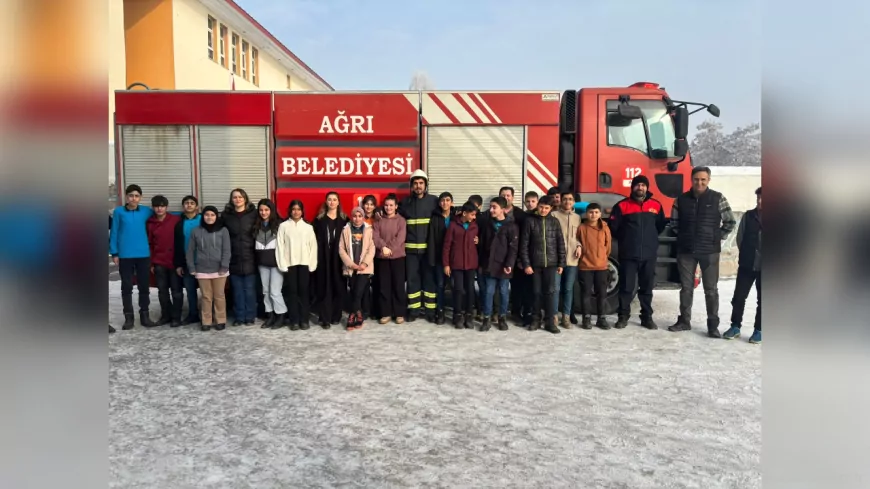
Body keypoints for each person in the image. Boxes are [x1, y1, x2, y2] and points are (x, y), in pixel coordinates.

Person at [668, 166, 737, 337]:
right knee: (686, 288)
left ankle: (712, 326)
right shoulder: (681, 200)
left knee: (711, 290)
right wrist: (685, 237)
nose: (699, 182)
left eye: (703, 179)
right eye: (696, 179)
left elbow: (730, 222)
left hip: (709, 252)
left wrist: (716, 237)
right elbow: (674, 224)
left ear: (708, 180)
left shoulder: (718, 198)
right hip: (686, 251)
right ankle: (684, 321)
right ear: (691, 180)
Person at [609, 175, 667, 329]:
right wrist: (627, 240)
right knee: (626, 288)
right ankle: (623, 316)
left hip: (649, 255)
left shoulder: (656, 206)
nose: (640, 188)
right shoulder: (622, 206)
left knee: (646, 288)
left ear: (647, 188)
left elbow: (660, 226)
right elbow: (614, 228)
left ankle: (646, 317)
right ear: (632, 187)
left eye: (643, 185)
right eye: (637, 185)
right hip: (628, 254)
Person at [110, 184, 156, 329]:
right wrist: (114, 252)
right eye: (131, 195)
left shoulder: (146, 211)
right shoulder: (119, 212)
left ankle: (145, 315)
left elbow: (163, 214)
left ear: (140, 197)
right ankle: (128, 317)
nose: (133, 198)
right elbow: (114, 232)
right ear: (126, 197)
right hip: (125, 255)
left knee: (144, 286)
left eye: (136, 196)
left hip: (143, 254)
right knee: (127, 287)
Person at [519, 195, 565, 334]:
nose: (543, 210)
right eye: (541, 207)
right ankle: (535, 320)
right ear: (537, 206)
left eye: (546, 208)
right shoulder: (529, 221)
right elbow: (524, 245)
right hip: (535, 264)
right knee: (536, 293)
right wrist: (526, 264)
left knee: (550, 293)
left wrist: (561, 263)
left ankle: (550, 322)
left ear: (551, 208)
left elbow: (560, 243)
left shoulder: (555, 222)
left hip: (551, 264)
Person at [398, 169, 439, 322]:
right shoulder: (404, 203)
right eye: (415, 183)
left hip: (429, 251)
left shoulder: (434, 202)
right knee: (412, 280)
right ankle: (414, 310)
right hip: (410, 251)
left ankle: (430, 311)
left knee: (429, 280)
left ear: (426, 185)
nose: (418, 186)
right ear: (411, 186)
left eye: (421, 183)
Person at [724, 187, 761, 344]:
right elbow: (740, 238)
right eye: (758, 198)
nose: (760, 201)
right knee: (739, 297)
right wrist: (746, 253)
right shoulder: (748, 216)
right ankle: (735, 326)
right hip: (747, 264)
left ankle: (759, 330)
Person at [186, 206, 231, 332]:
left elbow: (227, 250)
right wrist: (192, 266)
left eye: (212, 215)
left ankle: (220, 320)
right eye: (207, 215)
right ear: (203, 216)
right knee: (206, 296)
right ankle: (206, 321)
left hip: (219, 269)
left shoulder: (223, 231)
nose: (209, 217)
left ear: (216, 216)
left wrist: (224, 265)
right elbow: (190, 251)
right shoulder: (196, 231)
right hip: (202, 269)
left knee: (219, 295)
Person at [276, 200, 318, 331]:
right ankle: (294, 321)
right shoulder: (283, 226)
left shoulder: (308, 227)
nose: (296, 212)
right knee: (292, 292)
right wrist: (282, 264)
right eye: (294, 209)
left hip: (304, 263)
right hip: (290, 265)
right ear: (290, 210)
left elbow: (313, 247)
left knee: (304, 292)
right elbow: (280, 246)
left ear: (302, 211)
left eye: (299, 209)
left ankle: (304, 320)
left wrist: (312, 264)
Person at [478, 196, 519, 332]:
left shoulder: (511, 226)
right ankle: (487, 318)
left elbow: (513, 248)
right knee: (489, 292)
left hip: (504, 266)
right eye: (490, 207)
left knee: (503, 292)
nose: (491, 210)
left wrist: (509, 264)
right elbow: (482, 246)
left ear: (503, 209)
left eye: (494, 207)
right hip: (489, 265)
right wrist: (481, 264)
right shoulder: (487, 224)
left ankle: (502, 318)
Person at [222, 188, 258, 326]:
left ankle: (250, 317)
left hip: (250, 257)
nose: (238, 199)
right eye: (235, 197)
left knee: (249, 290)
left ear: (245, 199)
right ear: (231, 200)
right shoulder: (226, 216)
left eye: (240, 197)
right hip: (233, 258)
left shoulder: (253, 214)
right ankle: (239, 317)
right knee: (236, 291)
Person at [312, 191, 349, 328]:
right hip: (324, 259)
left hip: (339, 259)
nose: (332, 202)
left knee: (338, 286)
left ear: (338, 202)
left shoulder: (345, 220)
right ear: (326, 202)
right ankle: (325, 318)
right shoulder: (319, 220)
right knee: (324, 287)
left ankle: (336, 315)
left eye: (334, 199)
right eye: (329, 199)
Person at [145, 195, 182, 326]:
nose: (159, 209)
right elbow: (150, 244)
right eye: (156, 206)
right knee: (162, 291)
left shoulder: (176, 220)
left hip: (174, 262)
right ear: (153, 207)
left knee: (176, 291)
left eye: (162, 206)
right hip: (159, 262)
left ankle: (176, 317)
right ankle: (166, 315)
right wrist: (152, 262)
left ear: (166, 207)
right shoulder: (150, 223)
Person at [443, 202, 479, 329]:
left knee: (470, 290)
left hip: (471, 265)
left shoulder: (475, 226)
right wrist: (446, 264)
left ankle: (469, 315)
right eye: (472, 214)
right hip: (456, 264)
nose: (474, 217)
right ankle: (457, 315)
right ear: (464, 213)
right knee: (458, 290)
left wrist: (478, 241)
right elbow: (447, 246)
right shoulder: (453, 225)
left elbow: (479, 242)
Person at [339, 207, 375, 330]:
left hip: (364, 268)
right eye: (355, 216)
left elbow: (372, 248)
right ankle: (359, 314)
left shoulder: (369, 230)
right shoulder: (346, 230)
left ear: (363, 217)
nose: (357, 218)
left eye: (360, 216)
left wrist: (364, 263)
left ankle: (351, 316)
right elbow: (341, 249)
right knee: (354, 291)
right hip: (352, 268)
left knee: (358, 292)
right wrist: (351, 264)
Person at [373, 194, 407, 324]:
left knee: (398, 286)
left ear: (396, 206)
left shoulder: (401, 221)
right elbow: (375, 237)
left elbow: (400, 238)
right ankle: (385, 313)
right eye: (386, 205)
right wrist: (383, 248)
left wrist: (390, 249)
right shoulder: (378, 221)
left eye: (391, 205)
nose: (388, 207)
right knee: (384, 286)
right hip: (382, 258)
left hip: (397, 258)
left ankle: (399, 313)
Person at [577, 203, 612, 329]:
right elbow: (577, 242)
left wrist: (602, 258)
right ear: (587, 214)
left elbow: (607, 247)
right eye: (591, 212)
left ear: (600, 214)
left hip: (601, 266)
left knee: (601, 293)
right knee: (585, 293)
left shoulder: (605, 228)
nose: (593, 215)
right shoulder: (581, 228)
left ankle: (601, 318)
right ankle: (586, 318)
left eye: (596, 212)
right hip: (585, 266)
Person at [253, 199, 286, 329]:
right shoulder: (256, 225)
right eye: (261, 210)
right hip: (262, 264)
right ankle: (270, 316)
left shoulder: (280, 225)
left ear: (271, 210)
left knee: (275, 291)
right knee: (266, 291)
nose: (263, 212)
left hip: (276, 263)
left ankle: (281, 315)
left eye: (266, 210)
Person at [499, 186, 529, 322]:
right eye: (503, 195)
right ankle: (498, 312)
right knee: (499, 288)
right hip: (499, 258)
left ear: (513, 197)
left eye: (508, 195)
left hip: (517, 258)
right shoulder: (492, 212)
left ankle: (516, 313)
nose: (506, 198)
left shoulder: (521, 215)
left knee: (517, 288)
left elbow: (525, 238)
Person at [553, 190, 581, 328]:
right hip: (557, 260)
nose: (567, 201)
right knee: (555, 288)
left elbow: (578, 237)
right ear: (561, 201)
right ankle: (553, 316)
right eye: (565, 199)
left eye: (570, 199)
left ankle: (566, 316)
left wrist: (579, 246)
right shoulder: (554, 215)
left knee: (568, 289)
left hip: (572, 259)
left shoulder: (577, 218)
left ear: (573, 202)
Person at [426, 191, 454, 325]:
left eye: (448, 200)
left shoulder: (457, 217)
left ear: (452, 203)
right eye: (442, 200)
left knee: (455, 285)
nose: (445, 203)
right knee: (440, 285)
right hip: (439, 258)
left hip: (454, 259)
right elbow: (431, 238)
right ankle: (440, 311)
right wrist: (431, 258)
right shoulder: (435, 217)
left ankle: (456, 312)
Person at [174, 195, 202, 325]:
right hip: (187, 263)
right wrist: (179, 264)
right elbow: (177, 245)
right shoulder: (179, 223)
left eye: (192, 203)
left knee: (207, 291)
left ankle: (209, 315)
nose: (189, 205)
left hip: (204, 262)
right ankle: (193, 314)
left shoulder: (204, 219)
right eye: (186, 203)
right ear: (183, 206)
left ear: (197, 206)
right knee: (190, 290)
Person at [360, 194, 378, 319]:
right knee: (364, 284)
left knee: (377, 284)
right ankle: (365, 310)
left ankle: (376, 310)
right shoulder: (360, 219)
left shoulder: (378, 219)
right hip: (364, 256)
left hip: (377, 254)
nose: (369, 207)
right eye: (367, 204)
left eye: (371, 204)